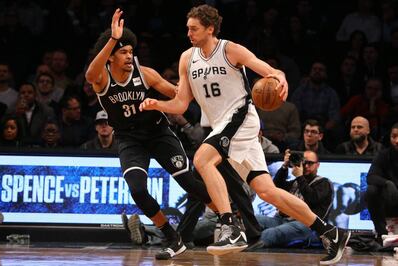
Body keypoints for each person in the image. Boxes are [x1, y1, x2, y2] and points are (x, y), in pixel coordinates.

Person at [140, 4, 350, 264]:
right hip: (223, 126)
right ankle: (329, 232)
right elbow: (181, 104)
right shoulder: (187, 58)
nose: (189, 33)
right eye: (187, 29)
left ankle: (231, 227)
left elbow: (267, 69)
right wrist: (157, 104)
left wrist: (279, 76)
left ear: (210, 28)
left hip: (241, 117)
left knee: (202, 160)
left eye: (194, 28)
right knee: (266, 191)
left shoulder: (230, 50)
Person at [85, 8, 216, 260]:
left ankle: (228, 219)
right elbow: (90, 74)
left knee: (187, 181)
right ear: (110, 56)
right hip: (129, 138)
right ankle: (172, 237)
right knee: (137, 189)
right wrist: (113, 39)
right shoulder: (102, 78)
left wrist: (187, 89)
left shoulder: (144, 73)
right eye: (123, 52)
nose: (129, 55)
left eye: (130, 51)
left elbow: (179, 96)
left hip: (158, 132)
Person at [254, 150, 333, 248]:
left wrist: (300, 177)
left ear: (318, 165)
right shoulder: (295, 182)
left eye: (310, 163)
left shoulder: (324, 183)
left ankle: (246, 253)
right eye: (303, 162)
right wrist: (285, 166)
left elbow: (312, 199)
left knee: (271, 233)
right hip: (282, 220)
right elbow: (275, 187)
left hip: (307, 225)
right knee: (253, 219)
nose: (306, 166)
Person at [365, 122, 398, 244]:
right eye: (393, 136)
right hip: (390, 201)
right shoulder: (383, 154)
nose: (397, 140)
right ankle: (381, 233)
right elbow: (370, 177)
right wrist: (387, 183)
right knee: (371, 190)